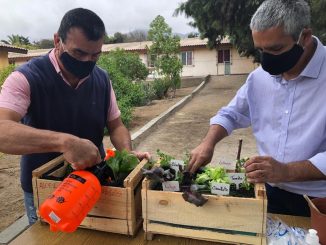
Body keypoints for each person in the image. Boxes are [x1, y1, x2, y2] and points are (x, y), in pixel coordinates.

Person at [0, 8, 149, 225]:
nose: (87, 61)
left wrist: (126, 155)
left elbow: (116, 126)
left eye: (95, 55)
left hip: (94, 183)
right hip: (48, 190)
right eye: (79, 53)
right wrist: (65, 142)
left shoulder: (101, 79)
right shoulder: (26, 78)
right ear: (57, 40)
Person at [188, 0, 326, 217]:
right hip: (269, 192)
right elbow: (230, 114)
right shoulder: (259, 79)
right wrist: (208, 143)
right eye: (261, 50)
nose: (267, 59)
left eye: (275, 49)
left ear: (305, 37)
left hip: (318, 202)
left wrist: (287, 171)